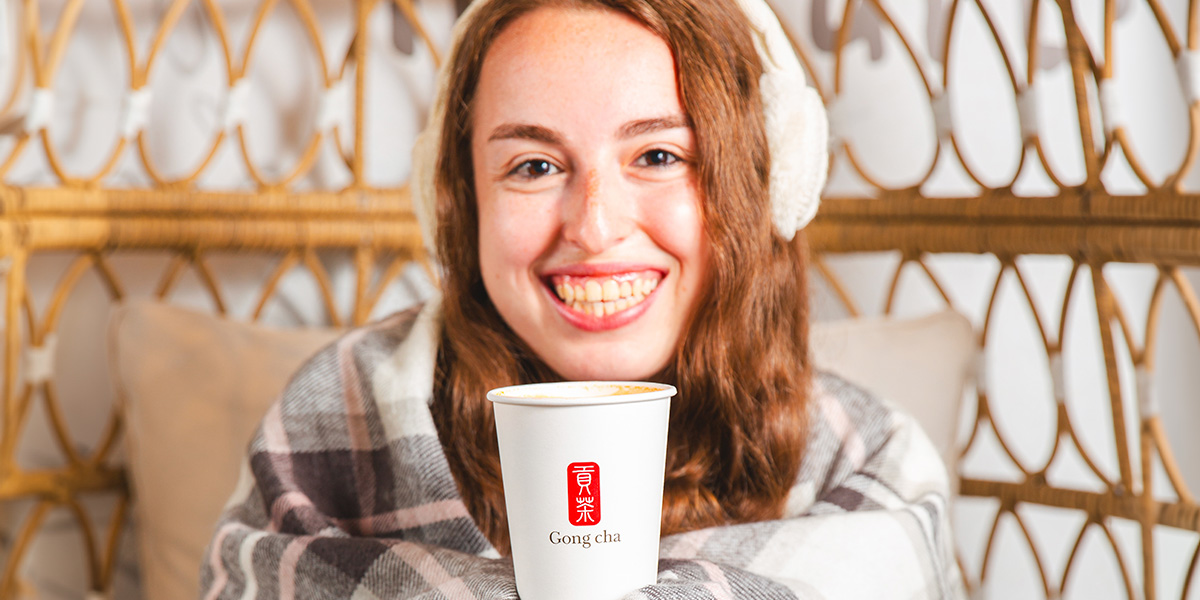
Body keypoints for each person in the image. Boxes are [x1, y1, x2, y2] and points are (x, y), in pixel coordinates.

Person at [200, 0, 964, 597]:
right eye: (532, 166)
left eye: (660, 155)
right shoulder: (328, 428)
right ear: (461, 206)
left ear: (762, 186)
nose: (595, 228)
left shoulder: (867, 463)